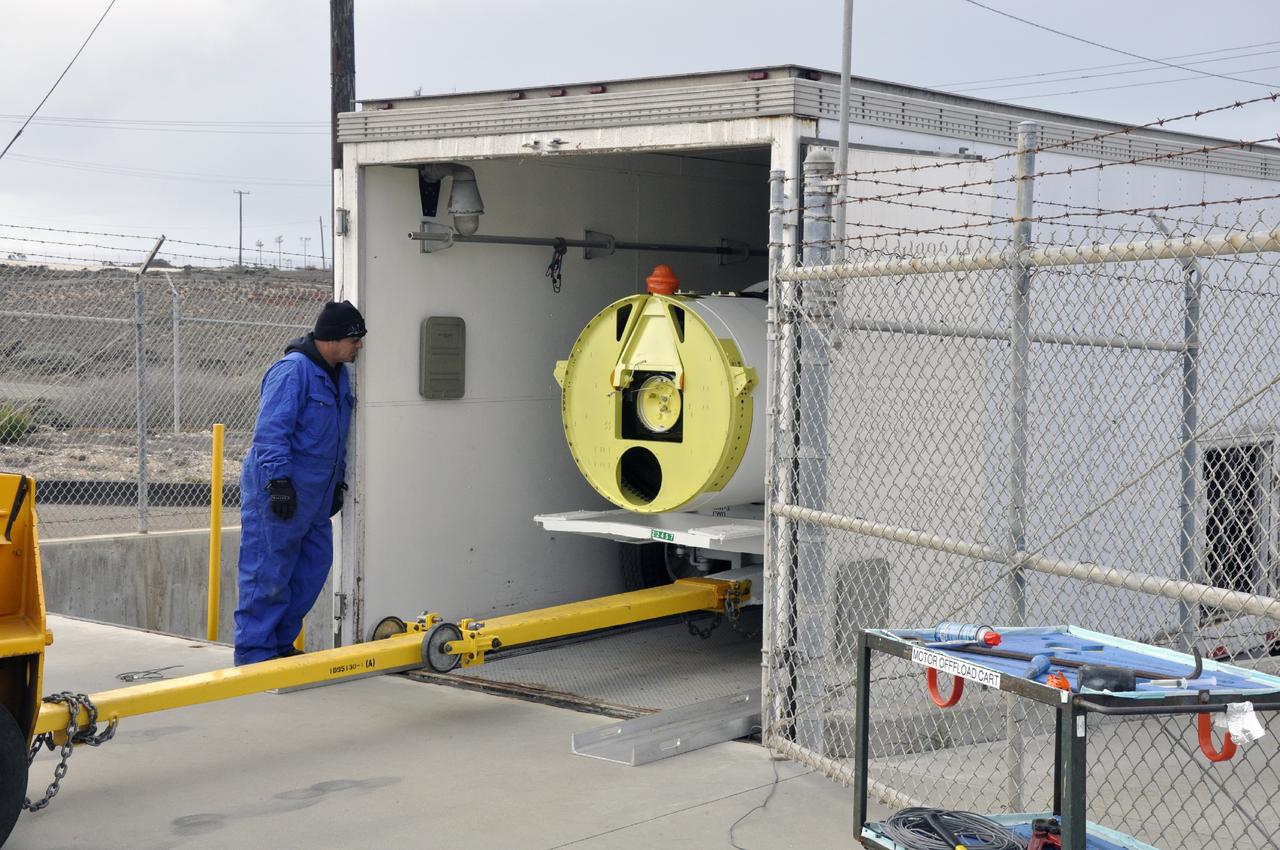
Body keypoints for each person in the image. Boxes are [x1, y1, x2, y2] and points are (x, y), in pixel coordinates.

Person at [233, 300, 366, 666]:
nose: (359, 346)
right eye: (355, 339)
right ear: (333, 338)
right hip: (281, 496)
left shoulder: (338, 375)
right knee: (267, 574)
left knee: (310, 571)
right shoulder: (294, 371)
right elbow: (270, 432)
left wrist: (335, 485)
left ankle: (278, 647)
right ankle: (255, 656)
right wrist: (278, 482)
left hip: (314, 501)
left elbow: (335, 439)